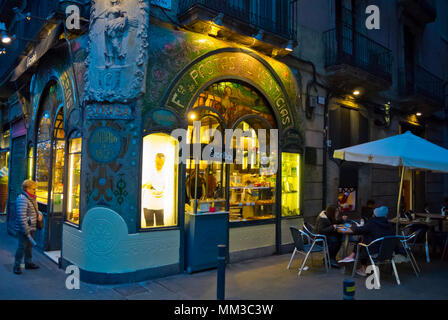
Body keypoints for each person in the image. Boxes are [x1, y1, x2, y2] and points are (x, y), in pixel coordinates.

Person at [339, 206, 394, 276]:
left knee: (362, 244)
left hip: (374, 251)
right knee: (364, 239)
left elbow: (360, 230)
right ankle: (352, 257)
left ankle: (362, 268)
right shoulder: (389, 225)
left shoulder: (372, 223)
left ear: (375, 215)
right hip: (388, 251)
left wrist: (351, 227)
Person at [13, 180, 42, 274]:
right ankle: (17, 266)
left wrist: (39, 214)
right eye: (33, 189)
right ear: (27, 188)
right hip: (24, 229)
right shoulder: (22, 198)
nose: (35, 190)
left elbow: (34, 210)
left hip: (31, 227)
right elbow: (22, 217)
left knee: (29, 247)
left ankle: (28, 263)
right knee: (21, 247)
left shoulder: (32, 198)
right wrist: (26, 232)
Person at [142, 153, 166, 227]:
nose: (160, 165)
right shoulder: (147, 171)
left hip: (159, 205)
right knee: (149, 226)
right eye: (159, 162)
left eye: (162, 163)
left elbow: (165, 187)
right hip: (148, 205)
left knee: (160, 226)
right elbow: (141, 185)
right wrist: (146, 185)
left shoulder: (165, 173)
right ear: (155, 160)